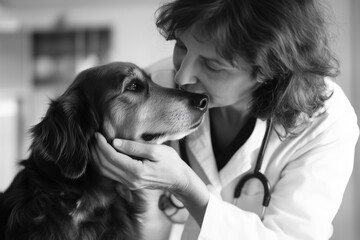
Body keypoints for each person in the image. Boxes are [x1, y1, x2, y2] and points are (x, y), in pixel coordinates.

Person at [93, 0, 359, 239]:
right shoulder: (155, 86)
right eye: (181, 46)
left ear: (270, 69)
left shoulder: (326, 123)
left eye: (212, 65)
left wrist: (185, 186)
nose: (183, 76)